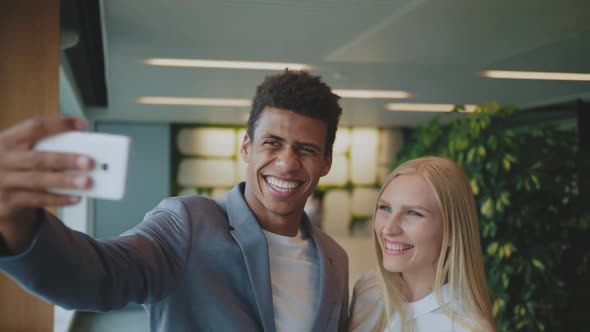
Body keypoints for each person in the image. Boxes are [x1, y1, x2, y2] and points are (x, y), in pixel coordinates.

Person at [0, 70, 349, 332]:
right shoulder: (189, 223)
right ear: (247, 147)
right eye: (272, 143)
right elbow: (99, 275)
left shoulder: (335, 258)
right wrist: (18, 221)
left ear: (327, 162)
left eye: (305, 149)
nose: (287, 163)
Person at [348, 156, 495, 332]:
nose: (388, 228)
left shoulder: (465, 328)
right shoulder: (368, 290)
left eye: (412, 213)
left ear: (453, 231)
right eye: (385, 208)